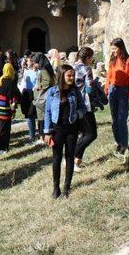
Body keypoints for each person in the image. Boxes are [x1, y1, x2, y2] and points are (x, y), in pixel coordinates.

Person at [44, 64, 85, 199]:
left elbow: (83, 107)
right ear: (62, 76)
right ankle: (56, 188)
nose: (72, 78)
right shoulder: (52, 92)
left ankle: (66, 188)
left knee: (69, 158)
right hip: (57, 130)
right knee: (56, 158)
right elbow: (48, 113)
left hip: (72, 129)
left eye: (73, 75)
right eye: (69, 75)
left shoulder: (75, 91)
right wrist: (47, 132)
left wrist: (76, 115)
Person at [104, 38, 129, 162]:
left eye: (114, 48)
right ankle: (118, 142)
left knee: (122, 119)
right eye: (111, 48)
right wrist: (106, 89)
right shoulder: (112, 60)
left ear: (121, 47)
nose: (112, 51)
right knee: (114, 120)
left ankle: (124, 145)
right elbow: (109, 75)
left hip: (124, 91)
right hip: (113, 91)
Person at [73, 47, 97, 171]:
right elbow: (89, 89)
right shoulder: (86, 69)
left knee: (83, 133)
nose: (91, 60)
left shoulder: (72, 67)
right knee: (92, 134)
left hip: (73, 104)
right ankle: (71, 157)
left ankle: (77, 161)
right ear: (87, 58)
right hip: (84, 104)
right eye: (91, 58)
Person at [0, 63, 20, 154]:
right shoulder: (11, 83)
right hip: (6, 110)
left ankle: (4, 148)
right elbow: (13, 99)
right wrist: (13, 110)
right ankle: (1, 148)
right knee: (5, 130)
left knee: (0, 128)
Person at [32, 52, 56, 143]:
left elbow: (47, 82)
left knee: (42, 118)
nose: (34, 64)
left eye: (35, 62)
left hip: (42, 99)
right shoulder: (45, 69)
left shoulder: (44, 71)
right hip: (44, 98)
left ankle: (42, 137)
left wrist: (39, 87)